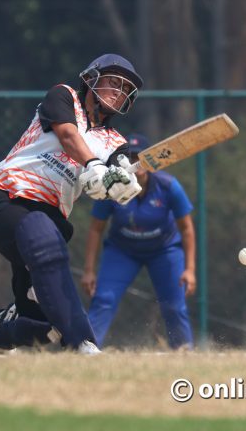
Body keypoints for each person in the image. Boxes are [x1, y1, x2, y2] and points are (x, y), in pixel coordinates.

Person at [0, 54, 144, 354]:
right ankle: (84, 343)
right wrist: (93, 164)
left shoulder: (116, 142)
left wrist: (122, 184)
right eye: (112, 82)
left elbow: (118, 167)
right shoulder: (64, 96)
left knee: (45, 327)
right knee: (48, 248)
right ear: (91, 78)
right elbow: (67, 135)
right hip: (6, 200)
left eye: (124, 88)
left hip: (48, 221)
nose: (117, 91)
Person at [81, 133, 197, 349]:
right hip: (122, 251)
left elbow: (186, 228)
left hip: (164, 250)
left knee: (174, 306)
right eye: (131, 158)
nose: (136, 163)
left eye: (141, 157)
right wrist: (89, 270)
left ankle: (183, 353)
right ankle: (88, 348)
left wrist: (189, 269)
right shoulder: (112, 187)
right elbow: (96, 229)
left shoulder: (169, 186)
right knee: (103, 299)